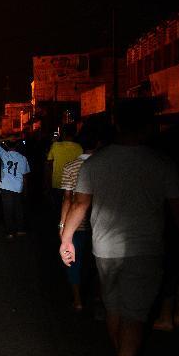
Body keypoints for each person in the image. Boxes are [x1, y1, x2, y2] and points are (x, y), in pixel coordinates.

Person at [60, 100, 179, 356]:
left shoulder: (95, 163)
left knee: (114, 308)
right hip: (145, 249)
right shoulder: (161, 163)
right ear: (148, 126)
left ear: (117, 124)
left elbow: (80, 204)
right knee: (134, 313)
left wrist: (66, 238)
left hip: (104, 248)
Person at [58, 122, 101, 311]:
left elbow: (68, 198)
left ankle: (77, 300)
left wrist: (62, 225)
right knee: (99, 263)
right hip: (101, 222)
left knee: (74, 261)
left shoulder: (71, 166)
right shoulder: (104, 165)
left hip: (76, 224)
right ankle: (100, 298)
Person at [0, 139, 31, 238]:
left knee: (7, 209)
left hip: (6, 186)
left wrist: (5, 139)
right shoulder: (23, 158)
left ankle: (10, 232)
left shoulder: (4, 154)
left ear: (6, 146)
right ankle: (20, 229)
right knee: (18, 208)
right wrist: (25, 189)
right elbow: (25, 176)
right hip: (18, 186)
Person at [46, 123, 82, 212]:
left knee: (57, 209)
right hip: (73, 183)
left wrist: (47, 183)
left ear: (63, 133)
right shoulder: (79, 148)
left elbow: (49, 165)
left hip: (58, 182)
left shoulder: (55, 146)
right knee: (70, 209)